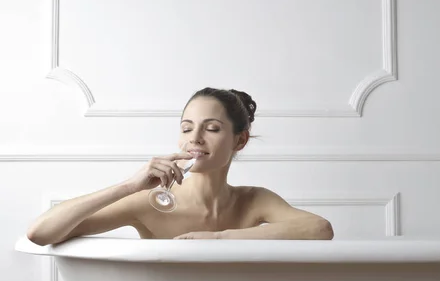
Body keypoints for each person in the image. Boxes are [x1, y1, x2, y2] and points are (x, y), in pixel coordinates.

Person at [27, 87, 334, 246]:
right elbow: (40, 233)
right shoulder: (147, 202)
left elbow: (319, 228)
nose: (194, 139)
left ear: (240, 141)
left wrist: (218, 239)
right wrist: (129, 186)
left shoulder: (255, 200)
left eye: (211, 129)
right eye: (187, 128)